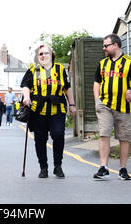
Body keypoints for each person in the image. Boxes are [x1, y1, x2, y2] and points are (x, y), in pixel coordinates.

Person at [93, 34, 131, 181]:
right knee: (104, 134)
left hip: (124, 106)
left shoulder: (130, 62)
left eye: (106, 45)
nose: (104, 48)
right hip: (105, 104)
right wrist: (97, 100)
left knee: (124, 138)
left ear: (115, 45)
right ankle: (104, 167)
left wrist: (130, 89)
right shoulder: (103, 63)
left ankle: (122, 168)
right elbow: (97, 82)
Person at [21, 44, 76, 178]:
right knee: (40, 139)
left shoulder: (60, 69)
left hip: (57, 108)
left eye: (46, 53)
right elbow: (25, 85)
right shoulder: (33, 70)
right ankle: (43, 167)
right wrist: (27, 98)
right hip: (38, 109)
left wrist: (72, 104)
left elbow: (67, 88)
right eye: (40, 54)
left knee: (58, 135)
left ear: (52, 54)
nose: (43, 56)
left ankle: (58, 166)